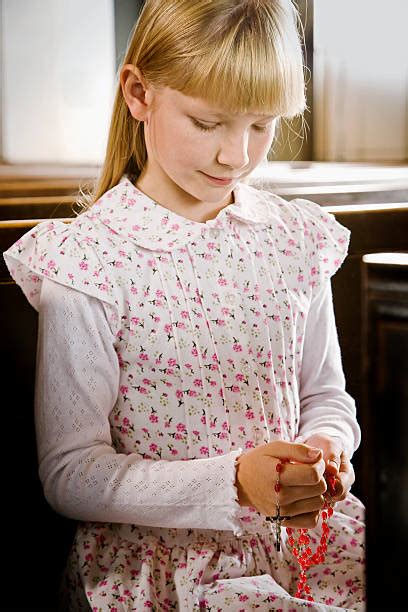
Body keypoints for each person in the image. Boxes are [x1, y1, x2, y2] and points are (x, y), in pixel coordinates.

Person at [3, 0, 365, 609]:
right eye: (207, 123)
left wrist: (327, 451)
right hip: (162, 568)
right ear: (139, 93)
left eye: (260, 124)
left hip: (305, 545)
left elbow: (325, 396)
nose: (236, 155)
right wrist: (234, 482)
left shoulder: (296, 239)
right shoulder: (88, 261)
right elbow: (71, 474)